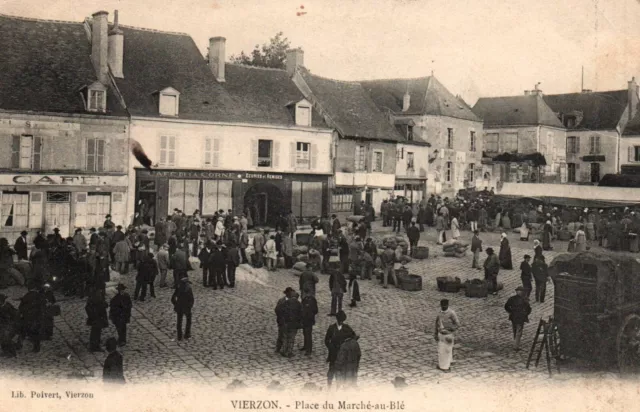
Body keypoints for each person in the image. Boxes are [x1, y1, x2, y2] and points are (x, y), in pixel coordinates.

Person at [325, 311, 356, 388]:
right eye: (340, 320)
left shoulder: (347, 328)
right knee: (331, 370)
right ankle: (329, 386)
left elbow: (354, 336)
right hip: (333, 353)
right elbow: (326, 340)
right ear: (337, 319)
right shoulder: (331, 328)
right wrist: (330, 347)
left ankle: (338, 387)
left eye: (342, 321)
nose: (341, 322)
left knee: (340, 371)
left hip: (342, 354)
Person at [433, 299, 460, 373]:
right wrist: (435, 333)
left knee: (447, 351)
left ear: (448, 305)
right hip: (441, 334)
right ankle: (444, 364)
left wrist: (450, 329)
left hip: (448, 335)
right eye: (442, 306)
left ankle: (445, 367)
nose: (443, 307)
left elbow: (457, 324)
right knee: (441, 351)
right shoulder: (439, 314)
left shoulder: (451, 313)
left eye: (445, 306)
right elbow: (436, 324)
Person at [504, 286, 531, 351]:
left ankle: (515, 343)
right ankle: (516, 346)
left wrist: (510, 311)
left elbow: (506, 306)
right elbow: (528, 308)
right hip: (520, 317)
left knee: (515, 329)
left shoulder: (512, 298)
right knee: (519, 331)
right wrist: (526, 314)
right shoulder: (525, 299)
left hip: (513, 316)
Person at [171, 277, 194, 341]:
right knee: (188, 321)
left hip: (179, 307)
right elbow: (192, 299)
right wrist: (190, 306)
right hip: (187, 307)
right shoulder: (189, 289)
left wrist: (176, 304)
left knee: (179, 321)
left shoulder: (178, 288)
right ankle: (187, 334)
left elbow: (172, 298)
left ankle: (179, 336)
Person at [281, 291, 302, 358]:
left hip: (286, 323)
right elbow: (301, 315)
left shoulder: (286, 302)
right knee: (291, 339)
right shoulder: (299, 304)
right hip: (294, 324)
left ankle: (284, 351)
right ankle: (289, 352)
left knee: (285, 337)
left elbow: (281, 311)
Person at [300, 288, 318, 356]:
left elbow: (316, 310)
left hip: (309, 320)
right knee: (304, 333)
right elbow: (301, 308)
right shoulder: (304, 300)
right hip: (304, 320)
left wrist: (310, 314)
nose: (306, 294)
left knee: (308, 335)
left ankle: (309, 350)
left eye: (307, 293)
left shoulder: (313, 300)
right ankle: (305, 346)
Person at [0, 293, 19, 357]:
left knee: (6, 338)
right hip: (2, 325)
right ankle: (5, 352)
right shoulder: (2, 306)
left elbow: (15, 315)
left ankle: (12, 353)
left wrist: (12, 324)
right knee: (2, 339)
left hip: (8, 325)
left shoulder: (8, 306)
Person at [274, 288, 292, 354]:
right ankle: (279, 349)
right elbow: (277, 310)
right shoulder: (282, 301)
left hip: (287, 321)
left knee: (284, 336)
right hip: (283, 321)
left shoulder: (290, 301)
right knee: (282, 336)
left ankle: (282, 349)